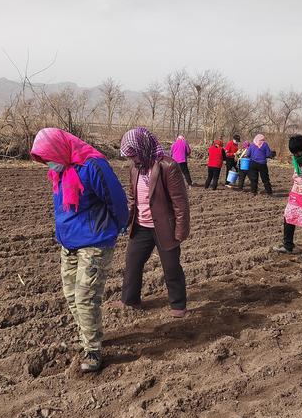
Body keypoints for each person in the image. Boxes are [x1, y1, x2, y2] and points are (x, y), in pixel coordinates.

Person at [30, 128, 129, 372]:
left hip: (94, 242)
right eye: (44, 160)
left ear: (60, 149)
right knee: (70, 295)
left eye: (48, 157)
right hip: (69, 243)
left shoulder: (92, 166)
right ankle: (89, 335)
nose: (48, 164)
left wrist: (117, 227)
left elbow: (116, 199)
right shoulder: (60, 170)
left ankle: (93, 350)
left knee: (85, 297)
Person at [116, 127, 190, 317]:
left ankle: (178, 305)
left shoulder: (168, 166)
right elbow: (133, 197)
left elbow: (180, 202)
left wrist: (180, 231)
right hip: (140, 226)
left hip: (164, 227)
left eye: (134, 154)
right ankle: (130, 300)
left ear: (143, 147)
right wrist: (127, 220)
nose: (132, 159)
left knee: (171, 267)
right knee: (132, 264)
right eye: (129, 156)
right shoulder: (134, 168)